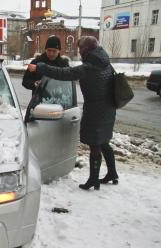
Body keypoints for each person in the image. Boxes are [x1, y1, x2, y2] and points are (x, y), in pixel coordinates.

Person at [27, 36, 118, 191]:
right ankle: (112, 173)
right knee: (104, 141)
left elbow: (65, 74)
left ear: (85, 50)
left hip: (96, 109)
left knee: (95, 144)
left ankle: (93, 179)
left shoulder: (90, 66)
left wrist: (40, 68)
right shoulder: (104, 62)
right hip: (109, 107)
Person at [22, 36, 69, 122]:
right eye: (49, 50)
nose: (51, 53)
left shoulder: (64, 64)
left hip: (58, 104)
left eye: (54, 51)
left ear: (59, 51)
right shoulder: (36, 62)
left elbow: (68, 85)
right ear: (45, 50)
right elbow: (25, 81)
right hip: (38, 104)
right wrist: (34, 84)